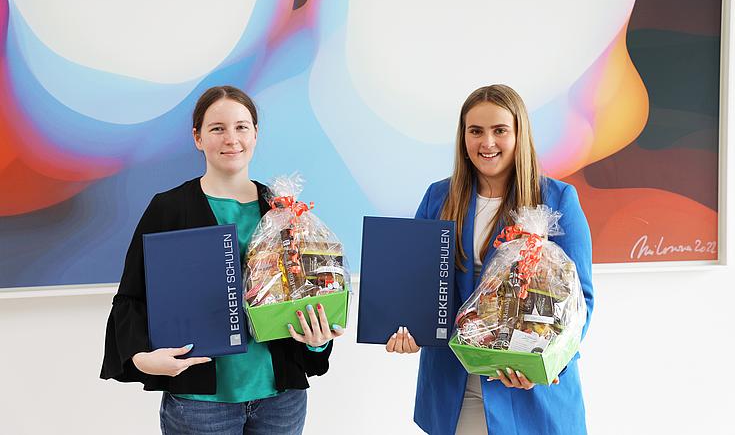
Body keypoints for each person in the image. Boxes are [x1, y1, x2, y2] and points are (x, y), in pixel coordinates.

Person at [101, 85, 344, 434]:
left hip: (281, 398)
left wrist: (319, 339)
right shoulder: (168, 208)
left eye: (241, 127)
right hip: (200, 406)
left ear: (256, 134)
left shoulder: (285, 210)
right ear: (198, 138)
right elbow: (131, 297)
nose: (231, 138)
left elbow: (308, 293)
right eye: (217, 128)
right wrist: (142, 359)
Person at [385, 85, 594, 435]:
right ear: (463, 137)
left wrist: (546, 364)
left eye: (499, 130)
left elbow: (580, 302)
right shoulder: (439, 197)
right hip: (456, 391)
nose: (487, 143)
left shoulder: (557, 200)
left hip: (530, 394)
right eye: (476, 131)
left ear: (518, 134)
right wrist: (405, 328)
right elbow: (416, 285)